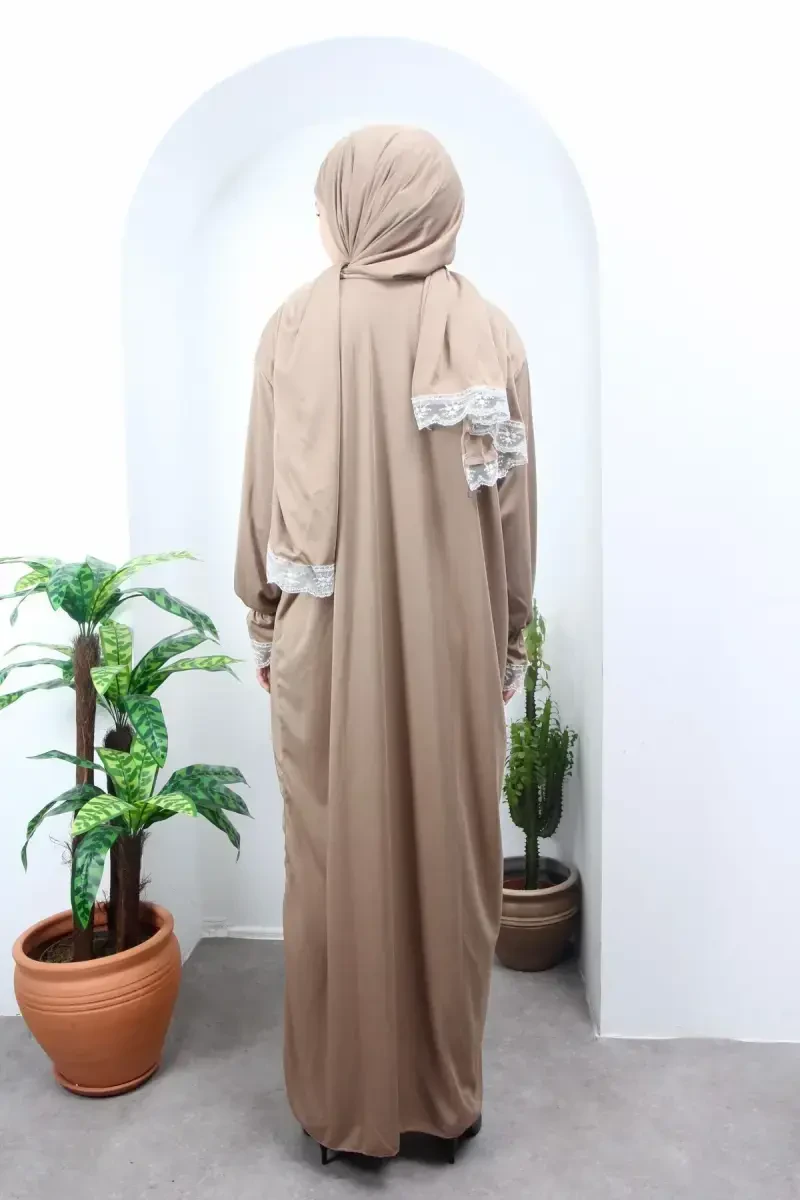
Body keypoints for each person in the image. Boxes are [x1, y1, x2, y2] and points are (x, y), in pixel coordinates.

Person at [235, 126, 536, 1162]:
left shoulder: (292, 326)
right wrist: (506, 636)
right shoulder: (487, 333)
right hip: (453, 647)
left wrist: (266, 618)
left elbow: (262, 496)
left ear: (353, 207)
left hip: (325, 645)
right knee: (449, 864)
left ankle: (344, 1116)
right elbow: (513, 517)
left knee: (335, 869)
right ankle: (443, 1107)